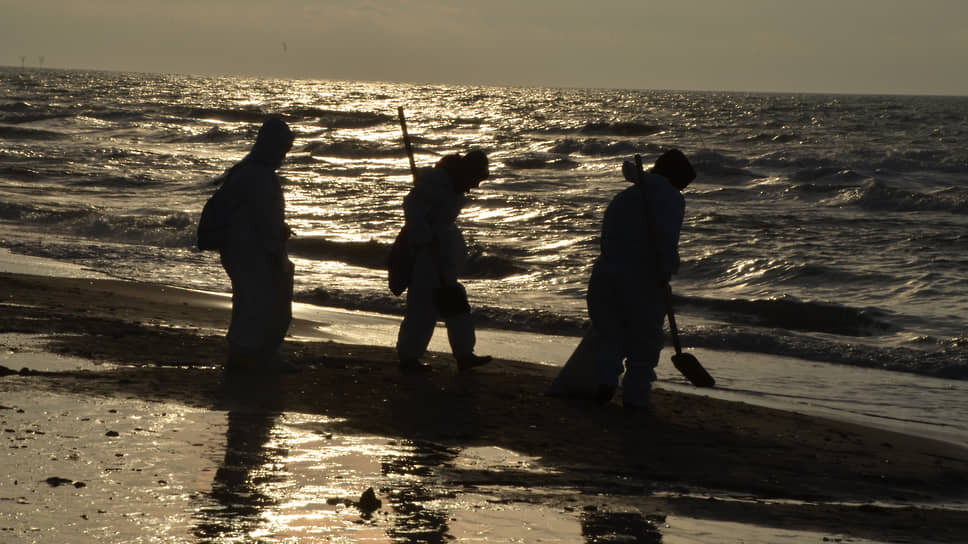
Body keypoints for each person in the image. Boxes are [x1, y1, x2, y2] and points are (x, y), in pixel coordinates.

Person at [586, 149, 696, 412]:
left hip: (605, 275)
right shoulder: (671, 199)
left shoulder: (625, 196)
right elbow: (666, 242)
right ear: (675, 178)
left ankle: (604, 384)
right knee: (644, 342)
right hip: (641, 279)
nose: (683, 190)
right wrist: (665, 273)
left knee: (610, 336)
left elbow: (609, 237)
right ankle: (635, 398)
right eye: (683, 184)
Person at [395, 150, 493, 373]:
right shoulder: (436, 181)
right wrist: (425, 238)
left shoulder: (453, 184)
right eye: (477, 178)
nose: (476, 185)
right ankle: (409, 358)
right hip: (426, 254)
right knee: (423, 306)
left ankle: (464, 354)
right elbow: (413, 210)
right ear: (468, 171)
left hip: (443, 252)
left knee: (455, 301)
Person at [218, 117, 296, 372]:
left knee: (248, 304)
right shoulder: (260, 177)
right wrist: (276, 249)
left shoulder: (245, 170)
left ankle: (247, 356)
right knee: (262, 306)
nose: (284, 155)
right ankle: (255, 358)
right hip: (254, 253)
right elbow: (264, 222)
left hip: (238, 250)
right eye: (283, 148)